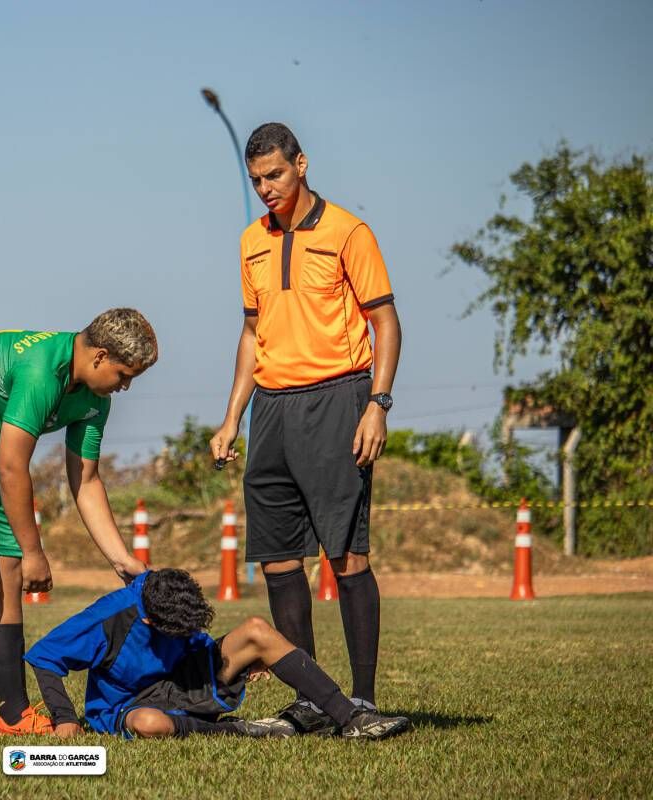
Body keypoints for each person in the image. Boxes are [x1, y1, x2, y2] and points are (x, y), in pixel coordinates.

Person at [209, 122, 405, 734]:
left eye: (275, 174)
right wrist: (231, 417)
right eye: (256, 180)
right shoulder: (250, 241)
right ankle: (312, 700)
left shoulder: (349, 232)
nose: (266, 187)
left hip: (338, 399)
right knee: (276, 561)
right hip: (270, 409)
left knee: (345, 558)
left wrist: (377, 404)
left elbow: (386, 322)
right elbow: (251, 334)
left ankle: (363, 699)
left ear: (301, 164)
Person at [0, 309, 155, 737]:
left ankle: (14, 712)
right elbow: (13, 467)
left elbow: (86, 480)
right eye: (123, 374)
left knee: (9, 570)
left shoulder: (96, 399)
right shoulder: (41, 370)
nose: (125, 385)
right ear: (99, 356)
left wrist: (120, 559)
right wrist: (35, 552)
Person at [24, 568, 411, 739]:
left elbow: (194, 638)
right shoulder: (109, 617)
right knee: (150, 724)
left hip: (186, 678)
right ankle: (244, 730)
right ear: (148, 622)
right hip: (132, 702)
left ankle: (351, 718)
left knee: (256, 629)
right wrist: (65, 719)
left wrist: (244, 658)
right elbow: (44, 656)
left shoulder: (169, 592)